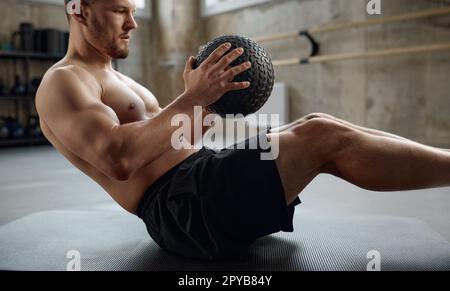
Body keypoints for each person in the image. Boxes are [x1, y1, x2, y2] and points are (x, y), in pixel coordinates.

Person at [36, 0, 450, 260]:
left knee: (317, 125)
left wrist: (213, 99)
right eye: (120, 10)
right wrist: (191, 99)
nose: (133, 23)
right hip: (183, 209)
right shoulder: (65, 81)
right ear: (79, 8)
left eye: (133, 10)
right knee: (323, 139)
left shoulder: (117, 78)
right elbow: (118, 158)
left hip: (201, 176)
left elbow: (178, 141)